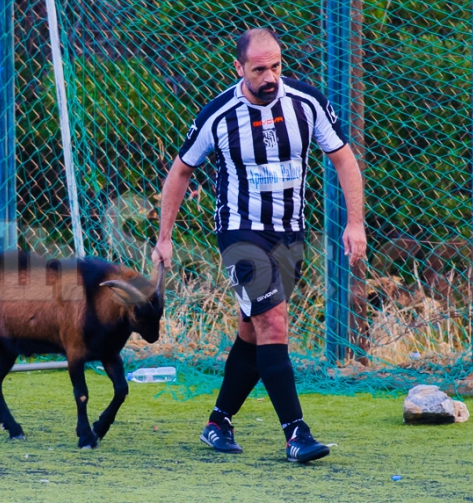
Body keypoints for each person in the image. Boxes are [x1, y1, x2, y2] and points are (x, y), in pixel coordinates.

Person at [151, 28, 367, 463]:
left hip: (290, 233)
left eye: (276, 67)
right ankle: (296, 434)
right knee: (273, 323)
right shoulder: (218, 114)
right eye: (258, 70)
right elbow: (180, 171)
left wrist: (355, 222)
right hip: (240, 233)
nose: (269, 77)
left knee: (252, 331)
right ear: (239, 68)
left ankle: (217, 423)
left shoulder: (307, 103)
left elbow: (343, 158)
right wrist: (165, 237)